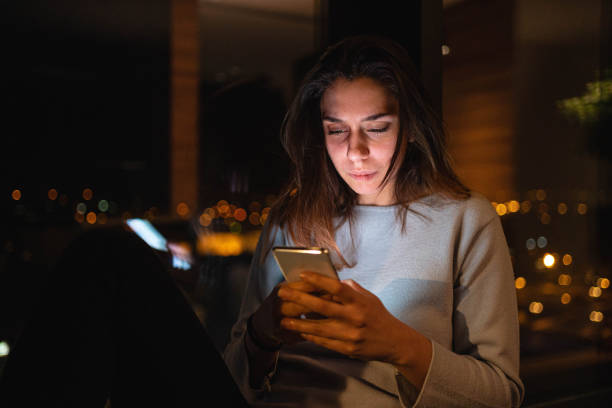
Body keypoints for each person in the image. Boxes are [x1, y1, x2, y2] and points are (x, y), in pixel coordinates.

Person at [223, 35, 525, 407]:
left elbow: (501, 395)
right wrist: (260, 335)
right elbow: (231, 379)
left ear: (411, 127)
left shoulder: (464, 220)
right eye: (336, 130)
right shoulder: (290, 217)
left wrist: (401, 346)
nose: (355, 152)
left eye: (377, 128)